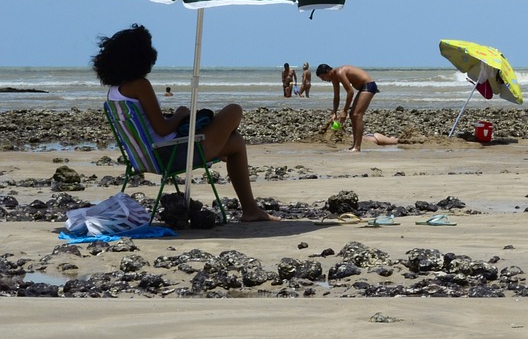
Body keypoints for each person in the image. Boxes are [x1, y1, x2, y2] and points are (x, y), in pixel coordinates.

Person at [92, 24, 276, 222]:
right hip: (171, 155)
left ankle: (251, 210)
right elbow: (162, 129)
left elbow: (150, 127)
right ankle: (246, 202)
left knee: (236, 142)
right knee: (234, 110)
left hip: (147, 157)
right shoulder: (140, 85)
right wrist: (180, 114)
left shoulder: (114, 91)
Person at [316, 63, 379, 152]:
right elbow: (336, 97)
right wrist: (334, 112)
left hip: (368, 86)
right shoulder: (334, 77)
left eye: (323, 77)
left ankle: (357, 147)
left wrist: (344, 111)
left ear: (327, 72)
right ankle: (354, 145)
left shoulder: (339, 72)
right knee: (353, 115)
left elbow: (350, 92)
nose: (323, 80)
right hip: (362, 88)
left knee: (357, 115)